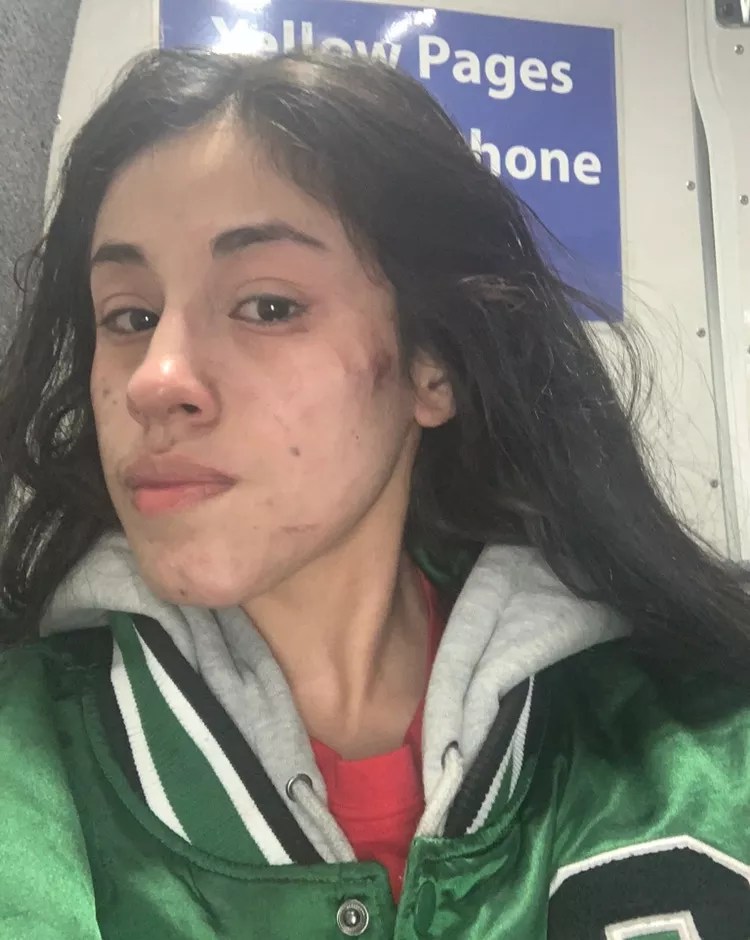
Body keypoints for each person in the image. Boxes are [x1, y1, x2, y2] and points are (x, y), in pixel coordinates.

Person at [0, 48, 748, 940]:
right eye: (129, 317)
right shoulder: (27, 774)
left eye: (267, 306)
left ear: (433, 367)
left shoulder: (703, 750)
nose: (154, 380)